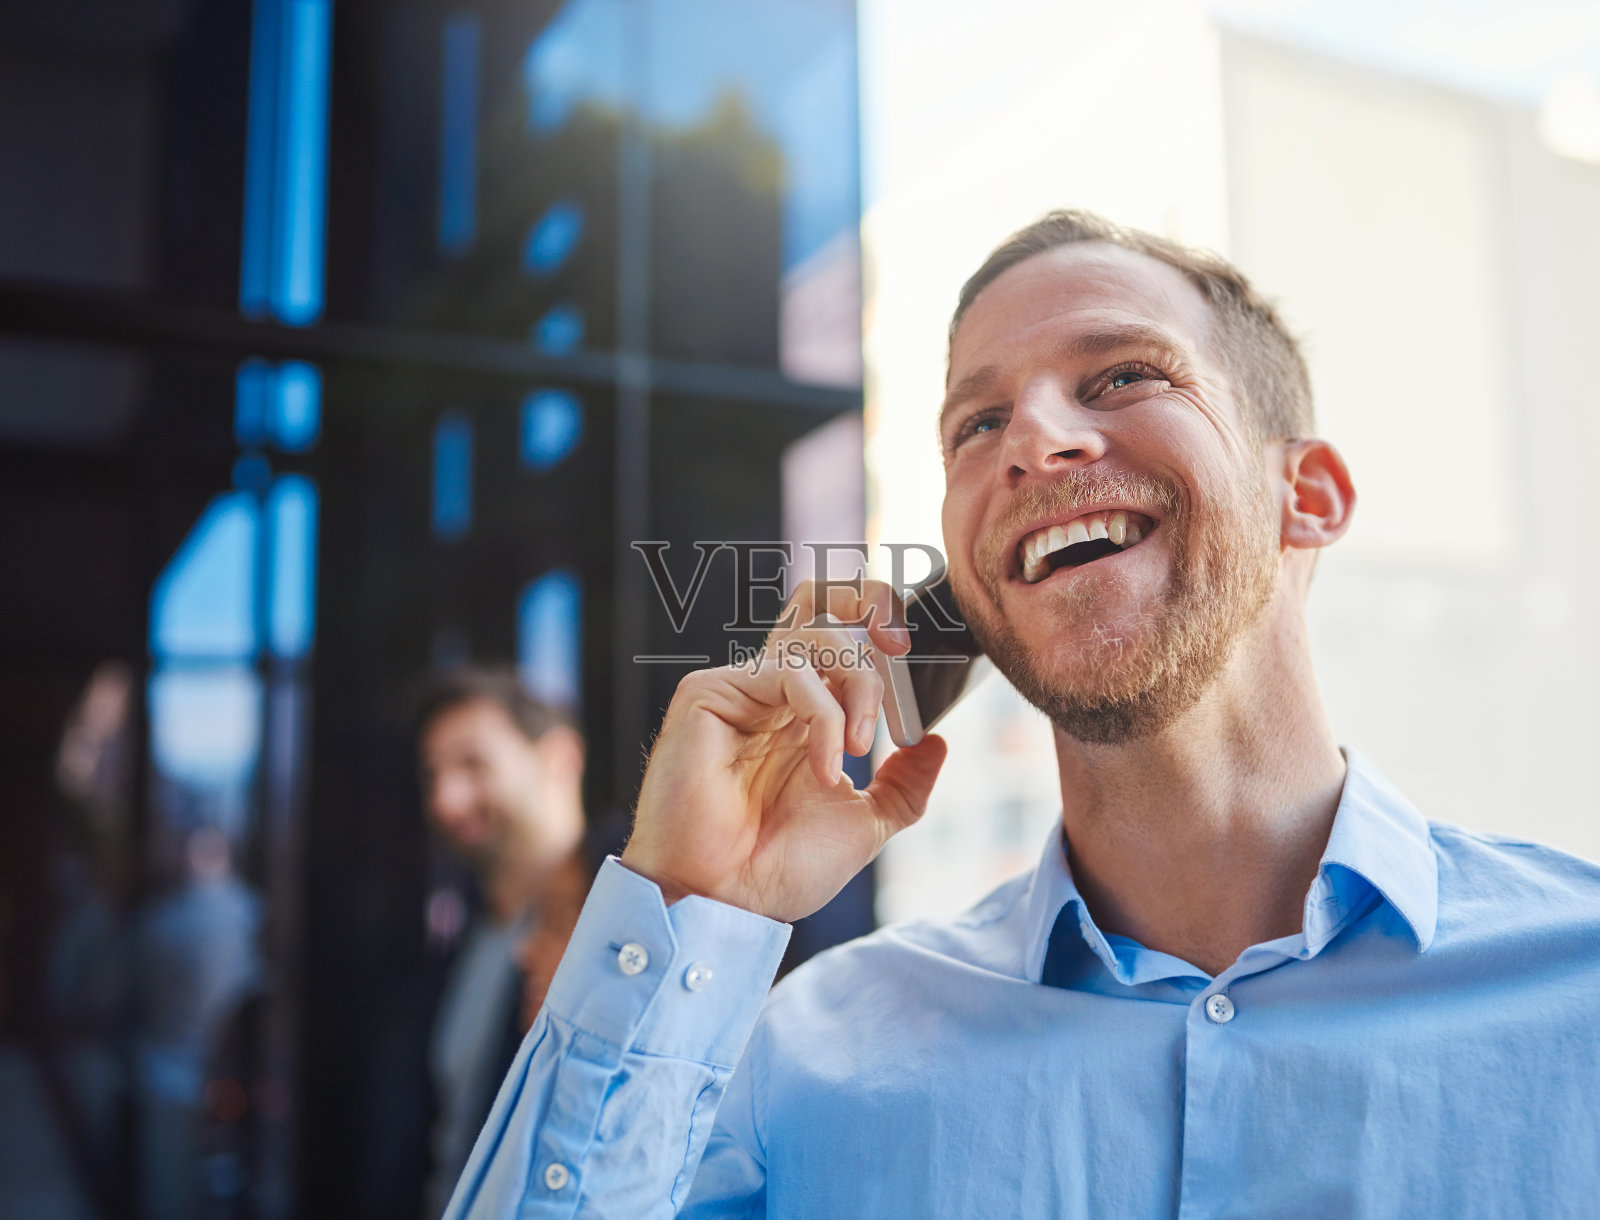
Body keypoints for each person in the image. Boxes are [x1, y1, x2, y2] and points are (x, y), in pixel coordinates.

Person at [442, 211, 1600, 1218]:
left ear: (1306, 495)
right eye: (974, 425)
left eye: (1122, 376)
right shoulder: (812, 1060)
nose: (1034, 442)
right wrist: (694, 897)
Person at [414, 669, 584, 1219]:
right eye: (433, 775)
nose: (446, 801)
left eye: (473, 764)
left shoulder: (620, 920)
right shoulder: (461, 941)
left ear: (558, 759)